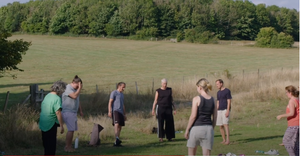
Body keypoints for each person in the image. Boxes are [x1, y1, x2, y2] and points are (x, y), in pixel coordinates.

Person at [184, 78, 217, 156]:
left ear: (200, 87)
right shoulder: (213, 100)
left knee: (191, 153)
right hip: (208, 128)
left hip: (196, 128)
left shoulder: (196, 99)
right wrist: (212, 127)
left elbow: (193, 116)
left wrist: (187, 129)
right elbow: (215, 117)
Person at [39, 80, 67, 155]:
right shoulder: (57, 98)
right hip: (51, 123)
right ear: (60, 90)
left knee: (46, 143)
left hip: (43, 122)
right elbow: (58, 112)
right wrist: (61, 125)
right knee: (51, 145)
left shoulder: (47, 96)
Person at [62, 75, 83, 152]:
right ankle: (67, 147)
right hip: (68, 111)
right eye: (78, 85)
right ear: (74, 83)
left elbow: (78, 99)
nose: (78, 87)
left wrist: (80, 110)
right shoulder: (68, 88)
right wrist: (79, 88)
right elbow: (74, 96)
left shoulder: (75, 89)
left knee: (72, 130)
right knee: (70, 130)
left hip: (73, 111)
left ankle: (69, 146)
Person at [276, 85, 299, 156]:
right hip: (296, 125)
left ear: (290, 93)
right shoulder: (297, 99)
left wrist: (281, 116)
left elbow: (292, 113)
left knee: (286, 141)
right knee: (295, 144)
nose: (286, 94)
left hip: (294, 125)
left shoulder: (291, 101)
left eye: (286, 92)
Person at [108, 82, 127, 146]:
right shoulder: (114, 93)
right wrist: (109, 111)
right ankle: (116, 138)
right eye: (123, 87)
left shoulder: (122, 94)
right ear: (119, 86)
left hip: (121, 112)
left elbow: (123, 104)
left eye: (124, 87)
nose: (124, 88)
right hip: (115, 111)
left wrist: (124, 114)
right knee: (116, 124)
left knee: (120, 126)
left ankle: (117, 141)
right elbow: (110, 102)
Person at [215, 79, 232, 145]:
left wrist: (228, 110)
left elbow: (229, 101)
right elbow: (218, 102)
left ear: (221, 84)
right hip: (219, 110)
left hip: (225, 109)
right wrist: (216, 110)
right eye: (216, 84)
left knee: (226, 124)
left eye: (218, 84)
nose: (217, 85)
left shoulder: (227, 91)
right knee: (220, 126)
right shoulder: (218, 92)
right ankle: (224, 139)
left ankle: (228, 140)